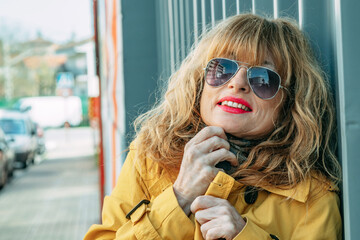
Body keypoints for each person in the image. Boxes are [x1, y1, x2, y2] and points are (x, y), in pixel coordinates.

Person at [84, 14, 342, 240]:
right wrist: (180, 197)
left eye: (262, 78)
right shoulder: (150, 157)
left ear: (290, 101)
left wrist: (245, 235)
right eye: (223, 68)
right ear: (200, 82)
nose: (237, 83)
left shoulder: (312, 199)